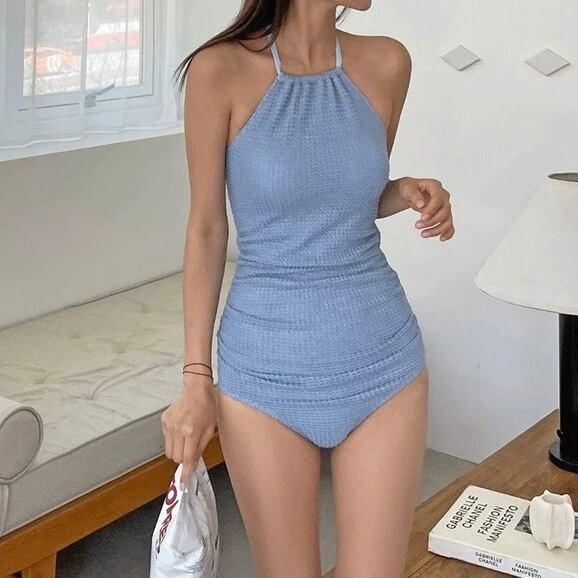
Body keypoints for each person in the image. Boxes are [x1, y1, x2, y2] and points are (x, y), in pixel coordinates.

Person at [162, 1, 455, 576]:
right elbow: (207, 227)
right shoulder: (218, 70)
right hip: (264, 371)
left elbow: (347, 197)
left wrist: (404, 190)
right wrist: (196, 377)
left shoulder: (388, 63)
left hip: (383, 358)